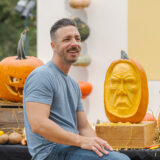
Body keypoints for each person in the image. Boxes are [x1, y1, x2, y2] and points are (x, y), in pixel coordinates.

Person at [23, 18, 130, 160]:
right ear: (53, 45)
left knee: (117, 157)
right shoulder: (42, 76)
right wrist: (82, 141)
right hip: (50, 152)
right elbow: (38, 124)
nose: (74, 43)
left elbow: (84, 127)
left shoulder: (73, 84)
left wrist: (98, 145)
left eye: (77, 39)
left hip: (71, 147)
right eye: (67, 39)